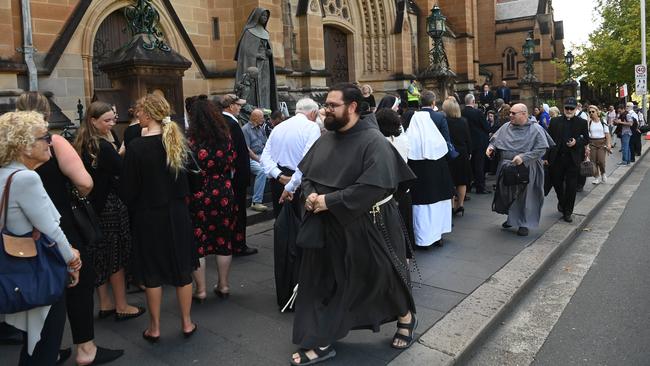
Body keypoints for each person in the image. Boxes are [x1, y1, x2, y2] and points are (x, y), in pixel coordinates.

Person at [290, 83, 416, 365]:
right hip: (327, 226)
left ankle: (406, 316)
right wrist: (310, 194)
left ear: (353, 107)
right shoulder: (326, 138)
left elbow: (373, 187)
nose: (325, 111)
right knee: (327, 282)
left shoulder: (375, 142)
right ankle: (322, 340)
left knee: (381, 276)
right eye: (325, 105)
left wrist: (329, 201)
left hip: (368, 224)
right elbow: (310, 174)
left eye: (332, 106)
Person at [18, 92, 123, 365]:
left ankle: (46, 350)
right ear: (46, 114)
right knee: (79, 283)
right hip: (60, 223)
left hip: (24, 229)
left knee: (41, 292)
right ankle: (86, 348)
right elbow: (85, 182)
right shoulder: (54, 142)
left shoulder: (10, 146)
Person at [0, 111, 82, 365]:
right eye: (44, 137)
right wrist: (72, 259)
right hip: (36, 270)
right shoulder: (27, 178)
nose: (50, 142)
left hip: (16, 268)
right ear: (24, 145)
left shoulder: (5, 173)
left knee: (34, 343)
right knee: (45, 344)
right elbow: (52, 230)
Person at [121, 94, 198, 342]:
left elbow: (128, 190)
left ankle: (154, 328)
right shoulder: (177, 141)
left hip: (148, 215)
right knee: (182, 267)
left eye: (140, 111)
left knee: (152, 272)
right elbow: (194, 179)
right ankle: (187, 323)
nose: (137, 114)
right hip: (177, 213)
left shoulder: (136, 148)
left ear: (148, 114)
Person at [73, 101, 145, 321]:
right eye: (107, 120)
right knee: (117, 257)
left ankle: (105, 304)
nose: (112, 123)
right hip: (110, 207)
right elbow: (122, 171)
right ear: (93, 121)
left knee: (99, 256)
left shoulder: (81, 143)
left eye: (112, 119)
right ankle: (122, 306)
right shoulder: (103, 146)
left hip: (92, 209)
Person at [186, 97, 238, 301]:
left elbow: (186, 167)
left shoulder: (191, 141)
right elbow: (233, 162)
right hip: (223, 190)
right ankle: (223, 285)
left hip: (199, 192)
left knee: (198, 241)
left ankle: (201, 290)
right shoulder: (225, 138)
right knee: (223, 239)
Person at [487, 103, 551, 236]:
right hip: (508, 166)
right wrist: (491, 147)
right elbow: (495, 139)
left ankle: (523, 223)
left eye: (513, 113)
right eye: (510, 112)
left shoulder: (536, 129)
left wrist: (523, 157)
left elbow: (541, 149)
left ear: (524, 114)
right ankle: (512, 219)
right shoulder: (506, 126)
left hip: (527, 168)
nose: (510, 115)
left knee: (525, 197)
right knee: (509, 194)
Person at [406, 91, 454, 248]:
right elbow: (446, 142)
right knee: (437, 205)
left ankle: (422, 239)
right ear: (433, 103)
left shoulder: (412, 124)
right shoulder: (439, 121)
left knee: (421, 209)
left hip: (419, 174)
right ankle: (437, 236)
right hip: (438, 171)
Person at [260, 98, 321, 217]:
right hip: (298, 182)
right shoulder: (312, 127)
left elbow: (265, 157)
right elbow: (307, 161)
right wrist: (290, 185)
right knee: (300, 223)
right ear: (313, 113)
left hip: (279, 179)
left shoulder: (278, 127)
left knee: (282, 222)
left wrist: (279, 176)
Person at [219, 94, 258, 256]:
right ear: (230, 106)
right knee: (238, 212)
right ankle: (238, 244)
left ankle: (231, 242)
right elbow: (236, 152)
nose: (240, 107)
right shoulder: (231, 124)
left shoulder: (223, 121)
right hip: (236, 177)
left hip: (231, 176)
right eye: (238, 105)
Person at [547, 97, 590, 223]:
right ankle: (562, 202)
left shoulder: (581, 122)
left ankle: (568, 212)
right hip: (557, 159)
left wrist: (577, 142)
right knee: (557, 184)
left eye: (572, 108)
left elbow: (586, 139)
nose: (569, 110)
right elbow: (548, 140)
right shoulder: (554, 121)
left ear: (576, 108)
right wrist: (545, 157)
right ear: (563, 108)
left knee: (571, 187)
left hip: (573, 159)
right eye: (567, 108)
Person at [234, 7, 278, 111]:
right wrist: (257, 55)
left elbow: (266, 47)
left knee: (265, 88)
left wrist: (269, 52)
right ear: (257, 17)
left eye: (266, 16)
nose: (265, 18)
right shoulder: (249, 32)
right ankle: (255, 109)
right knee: (255, 87)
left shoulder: (265, 32)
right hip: (255, 64)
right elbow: (244, 51)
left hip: (266, 65)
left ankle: (266, 108)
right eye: (263, 16)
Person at [444, 99, 472, 216]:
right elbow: (468, 139)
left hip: (450, 153)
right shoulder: (464, 121)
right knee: (462, 180)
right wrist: (469, 152)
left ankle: (451, 206)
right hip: (462, 153)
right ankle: (460, 205)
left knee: (450, 180)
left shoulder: (444, 121)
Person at [241, 108, 269, 212]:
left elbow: (265, 144)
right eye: (262, 117)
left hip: (262, 154)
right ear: (255, 118)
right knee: (261, 171)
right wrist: (258, 160)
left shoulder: (260, 128)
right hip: (250, 157)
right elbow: (247, 149)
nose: (264, 119)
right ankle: (256, 202)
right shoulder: (245, 129)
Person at [463, 93, 492, 194]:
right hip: (479, 142)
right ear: (473, 102)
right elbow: (486, 127)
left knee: (469, 165)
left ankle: (469, 186)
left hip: (467, 142)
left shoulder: (461, 113)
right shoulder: (478, 112)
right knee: (479, 165)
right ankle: (480, 187)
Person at [586, 106, 611, 184]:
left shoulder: (603, 121)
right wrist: (586, 147)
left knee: (601, 161)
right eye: (589, 112)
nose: (591, 113)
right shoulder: (589, 122)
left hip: (601, 143)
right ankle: (596, 177)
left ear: (597, 112)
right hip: (592, 143)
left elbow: (607, 134)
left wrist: (609, 144)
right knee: (593, 161)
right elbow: (586, 134)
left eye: (593, 111)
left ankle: (603, 173)